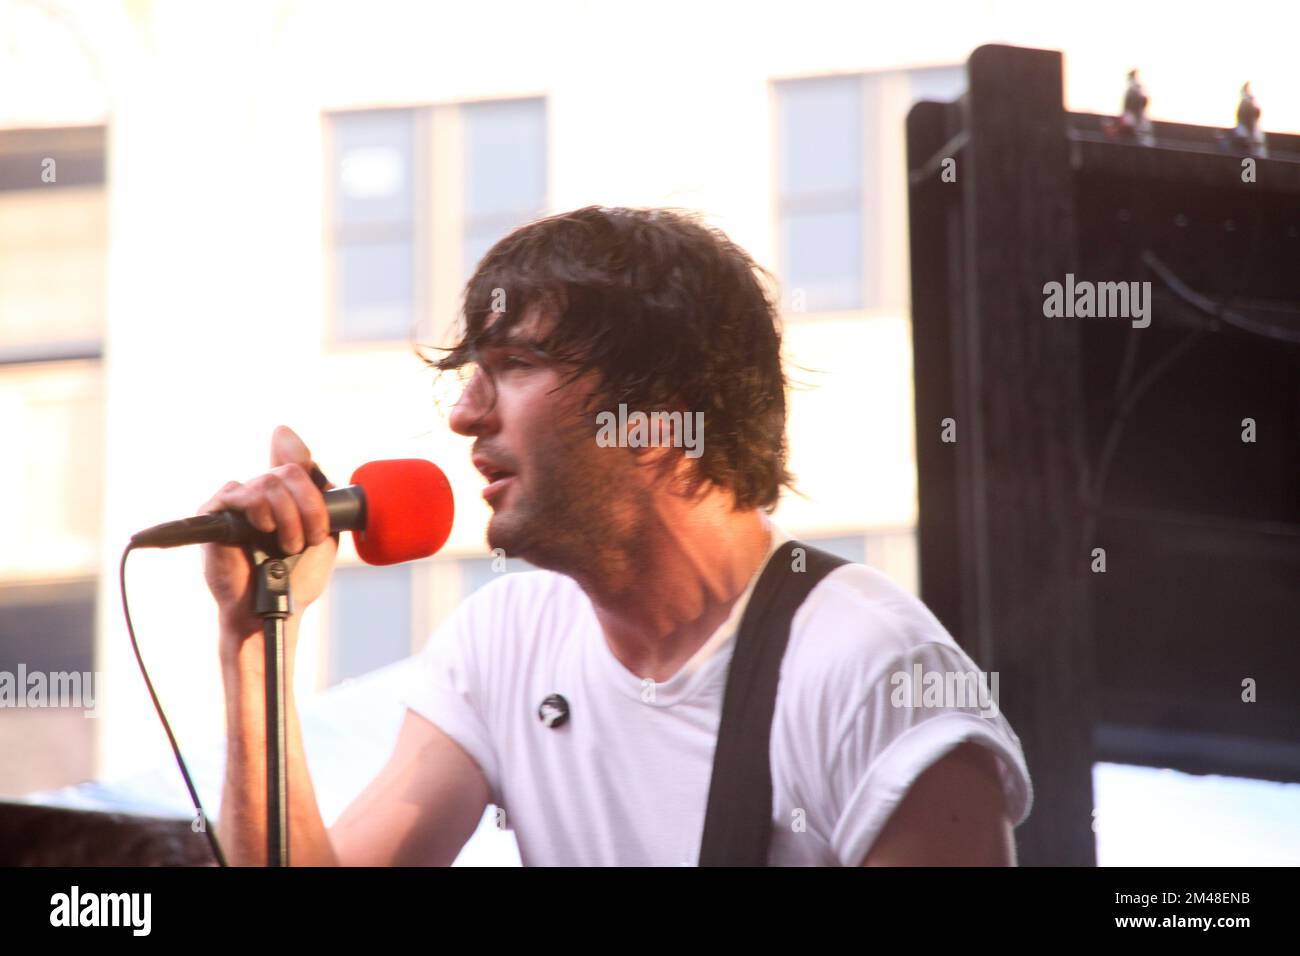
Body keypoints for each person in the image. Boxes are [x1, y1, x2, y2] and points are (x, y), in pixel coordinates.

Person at [202, 206, 1032, 866]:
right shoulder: (504, 643)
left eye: (515, 366)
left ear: (663, 409)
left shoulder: (873, 670)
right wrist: (255, 637)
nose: (464, 415)